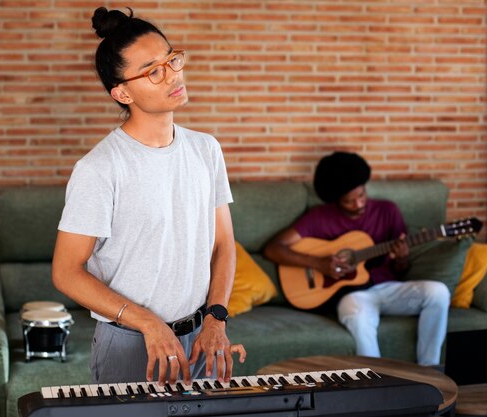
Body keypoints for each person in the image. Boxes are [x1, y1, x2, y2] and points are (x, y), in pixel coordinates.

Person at [52, 7, 245, 387]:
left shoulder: (206, 150)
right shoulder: (99, 168)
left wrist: (215, 318)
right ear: (122, 92)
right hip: (130, 342)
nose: (173, 75)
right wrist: (148, 323)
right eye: (154, 70)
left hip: (199, 340)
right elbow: (66, 272)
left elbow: (223, 244)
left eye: (172, 59)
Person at [264, 151, 449, 366]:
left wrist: (401, 258)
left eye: (362, 196)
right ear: (336, 200)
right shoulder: (320, 217)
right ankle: (374, 383)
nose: (359, 204)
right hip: (354, 296)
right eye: (349, 201)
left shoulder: (387, 211)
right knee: (359, 317)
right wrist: (319, 264)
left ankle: (430, 371)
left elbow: (401, 268)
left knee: (439, 292)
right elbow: (273, 248)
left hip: (389, 289)